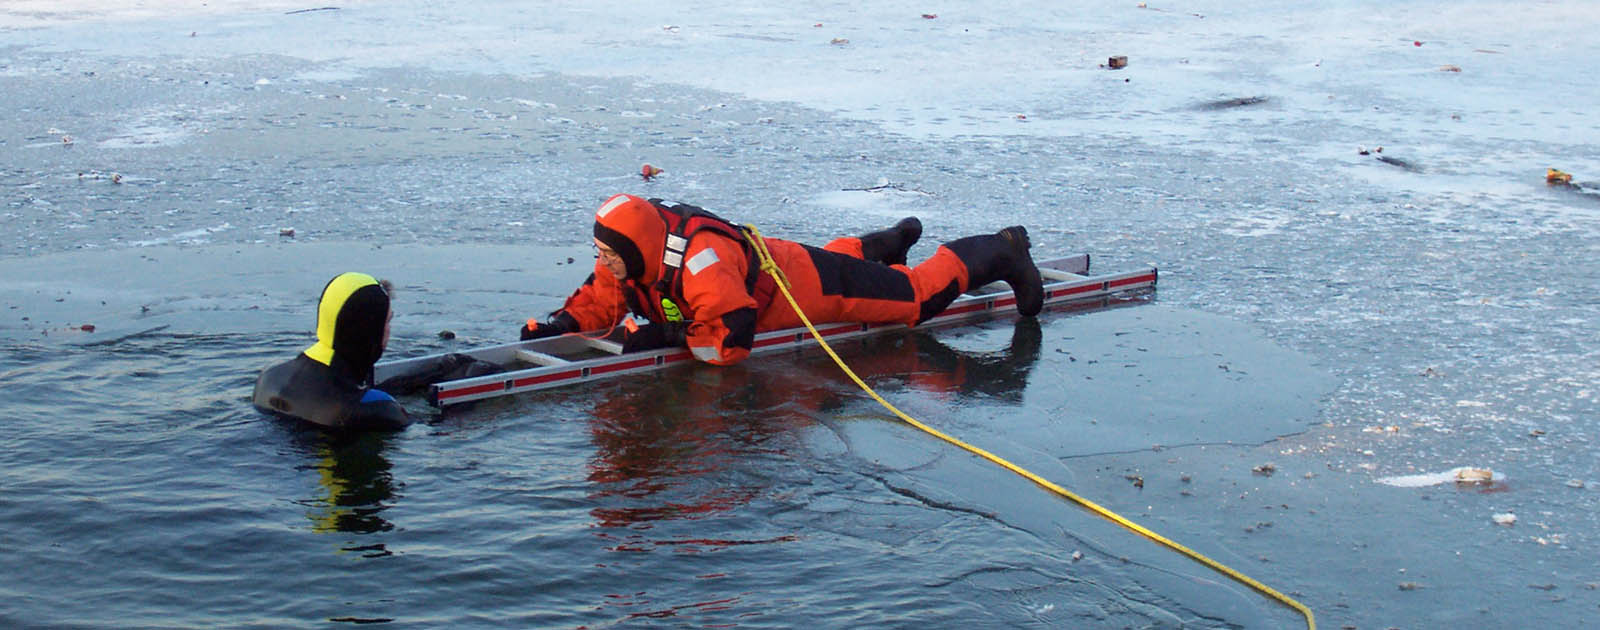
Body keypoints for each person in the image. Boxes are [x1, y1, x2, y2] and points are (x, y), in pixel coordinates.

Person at [519, 194, 1044, 366]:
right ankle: (884, 245)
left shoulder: (700, 262)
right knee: (851, 268)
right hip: (784, 264)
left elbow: (732, 338)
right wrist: (563, 325)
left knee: (914, 298)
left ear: (638, 248)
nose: (603, 261)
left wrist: (667, 336)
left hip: (805, 290)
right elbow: (603, 294)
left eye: (610, 253)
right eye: (601, 252)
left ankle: (1002, 249)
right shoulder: (636, 255)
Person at [253, 272, 411, 431]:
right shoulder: (382, 411)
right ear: (370, 330)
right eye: (387, 321)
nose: (389, 329)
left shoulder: (269, 375)